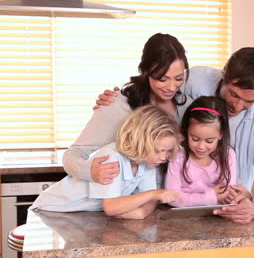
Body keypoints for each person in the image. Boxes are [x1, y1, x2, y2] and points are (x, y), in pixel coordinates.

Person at [97, 47, 254, 224]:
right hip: (161, 199)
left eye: (249, 101)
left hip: (225, 211)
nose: (237, 106)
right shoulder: (195, 80)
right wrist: (119, 100)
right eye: (234, 94)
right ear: (224, 74)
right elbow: (158, 84)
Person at [62, 33, 192, 186]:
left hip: (170, 200)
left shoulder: (186, 106)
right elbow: (72, 155)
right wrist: (89, 170)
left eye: (178, 78)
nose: (171, 87)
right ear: (145, 72)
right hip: (126, 203)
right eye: (162, 79)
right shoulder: (117, 105)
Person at [30, 105, 182, 219]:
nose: (163, 158)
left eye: (167, 151)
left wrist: (142, 212)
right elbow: (112, 207)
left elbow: (147, 200)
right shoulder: (111, 158)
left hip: (79, 214)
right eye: (158, 150)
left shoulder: (148, 163)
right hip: (50, 210)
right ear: (140, 142)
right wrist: (154, 194)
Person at [165, 96, 236, 207]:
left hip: (217, 218)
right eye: (195, 139)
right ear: (186, 131)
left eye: (209, 141)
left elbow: (227, 194)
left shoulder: (228, 155)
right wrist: (209, 198)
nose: (201, 147)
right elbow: (172, 197)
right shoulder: (178, 155)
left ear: (221, 135)